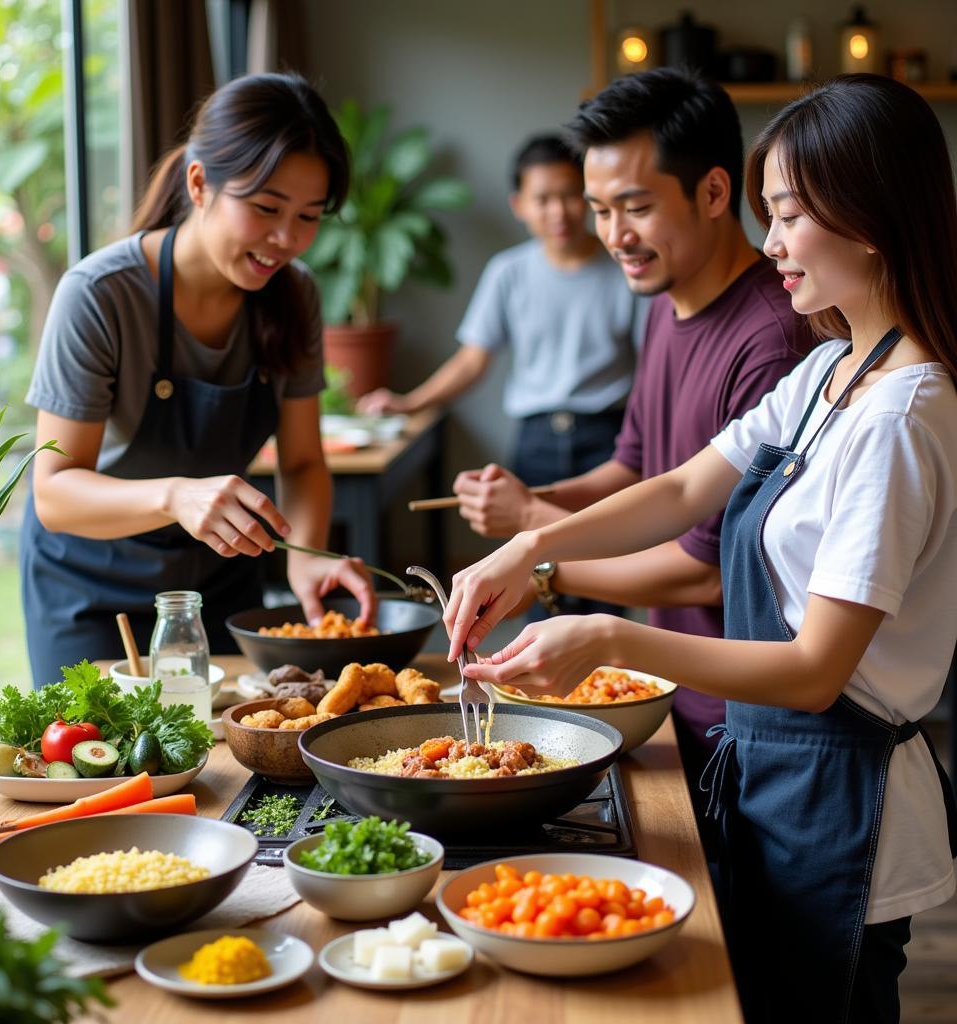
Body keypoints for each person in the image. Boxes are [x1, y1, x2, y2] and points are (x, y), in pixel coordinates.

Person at [445, 74, 957, 1024]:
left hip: (845, 803)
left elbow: (814, 671)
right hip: (775, 780)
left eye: (791, 217)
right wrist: (533, 549)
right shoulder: (828, 366)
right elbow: (683, 486)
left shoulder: (901, 416)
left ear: (871, 216)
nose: (771, 247)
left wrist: (607, 636)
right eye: (769, 216)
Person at [453, 69, 807, 809]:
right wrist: (532, 504)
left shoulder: (772, 338)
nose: (614, 235)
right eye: (600, 209)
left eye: (636, 207)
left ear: (714, 194)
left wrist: (543, 561)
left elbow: (704, 570)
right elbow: (636, 467)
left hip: (743, 723)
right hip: (675, 700)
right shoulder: (665, 302)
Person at [20, 73, 375, 687]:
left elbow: (302, 462)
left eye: (308, 216)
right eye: (265, 208)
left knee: (226, 765)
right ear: (199, 182)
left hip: (211, 588)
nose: (286, 239)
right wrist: (173, 495)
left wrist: (305, 560)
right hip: (87, 591)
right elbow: (53, 492)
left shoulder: (295, 296)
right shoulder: (100, 295)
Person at [358, 134, 643, 492]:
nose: (558, 211)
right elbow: (472, 360)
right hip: (535, 440)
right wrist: (409, 404)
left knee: (610, 545)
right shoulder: (508, 272)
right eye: (542, 199)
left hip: (612, 437)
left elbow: (655, 361)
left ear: (589, 196)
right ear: (519, 204)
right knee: (531, 545)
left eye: (570, 194)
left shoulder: (627, 267)